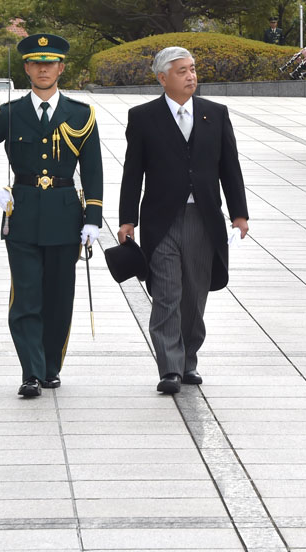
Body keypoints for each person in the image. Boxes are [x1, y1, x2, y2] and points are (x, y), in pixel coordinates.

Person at [0, 34, 103, 398]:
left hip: (64, 215)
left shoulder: (81, 115)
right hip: (21, 215)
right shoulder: (11, 114)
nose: (43, 68)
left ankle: (51, 367)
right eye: (36, 63)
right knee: (26, 297)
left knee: (58, 298)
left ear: (61, 68)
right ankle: (31, 371)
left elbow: (93, 170)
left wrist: (93, 219)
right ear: (26, 67)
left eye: (50, 62)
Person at [118, 46, 249, 394]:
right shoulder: (143, 117)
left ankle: (188, 359)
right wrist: (127, 219)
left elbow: (229, 168)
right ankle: (170, 368)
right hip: (162, 220)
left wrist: (239, 214)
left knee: (194, 295)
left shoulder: (215, 114)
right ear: (163, 78)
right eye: (182, 71)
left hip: (203, 219)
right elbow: (133, 172)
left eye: (192, 69)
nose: (191, 76)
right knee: (166, 294)